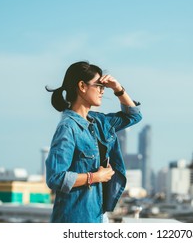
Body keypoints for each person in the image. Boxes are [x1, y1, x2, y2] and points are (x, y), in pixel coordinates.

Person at [45, 61, 142, 223]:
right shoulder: (68, 127)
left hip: (99, 214)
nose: (102, 91)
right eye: (98, 86)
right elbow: (55, 177)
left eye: (104, 87)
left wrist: (118, 88)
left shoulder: (99, 122)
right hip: (76, 218)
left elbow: (134, 116)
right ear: (82, 86)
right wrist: (95, 177)